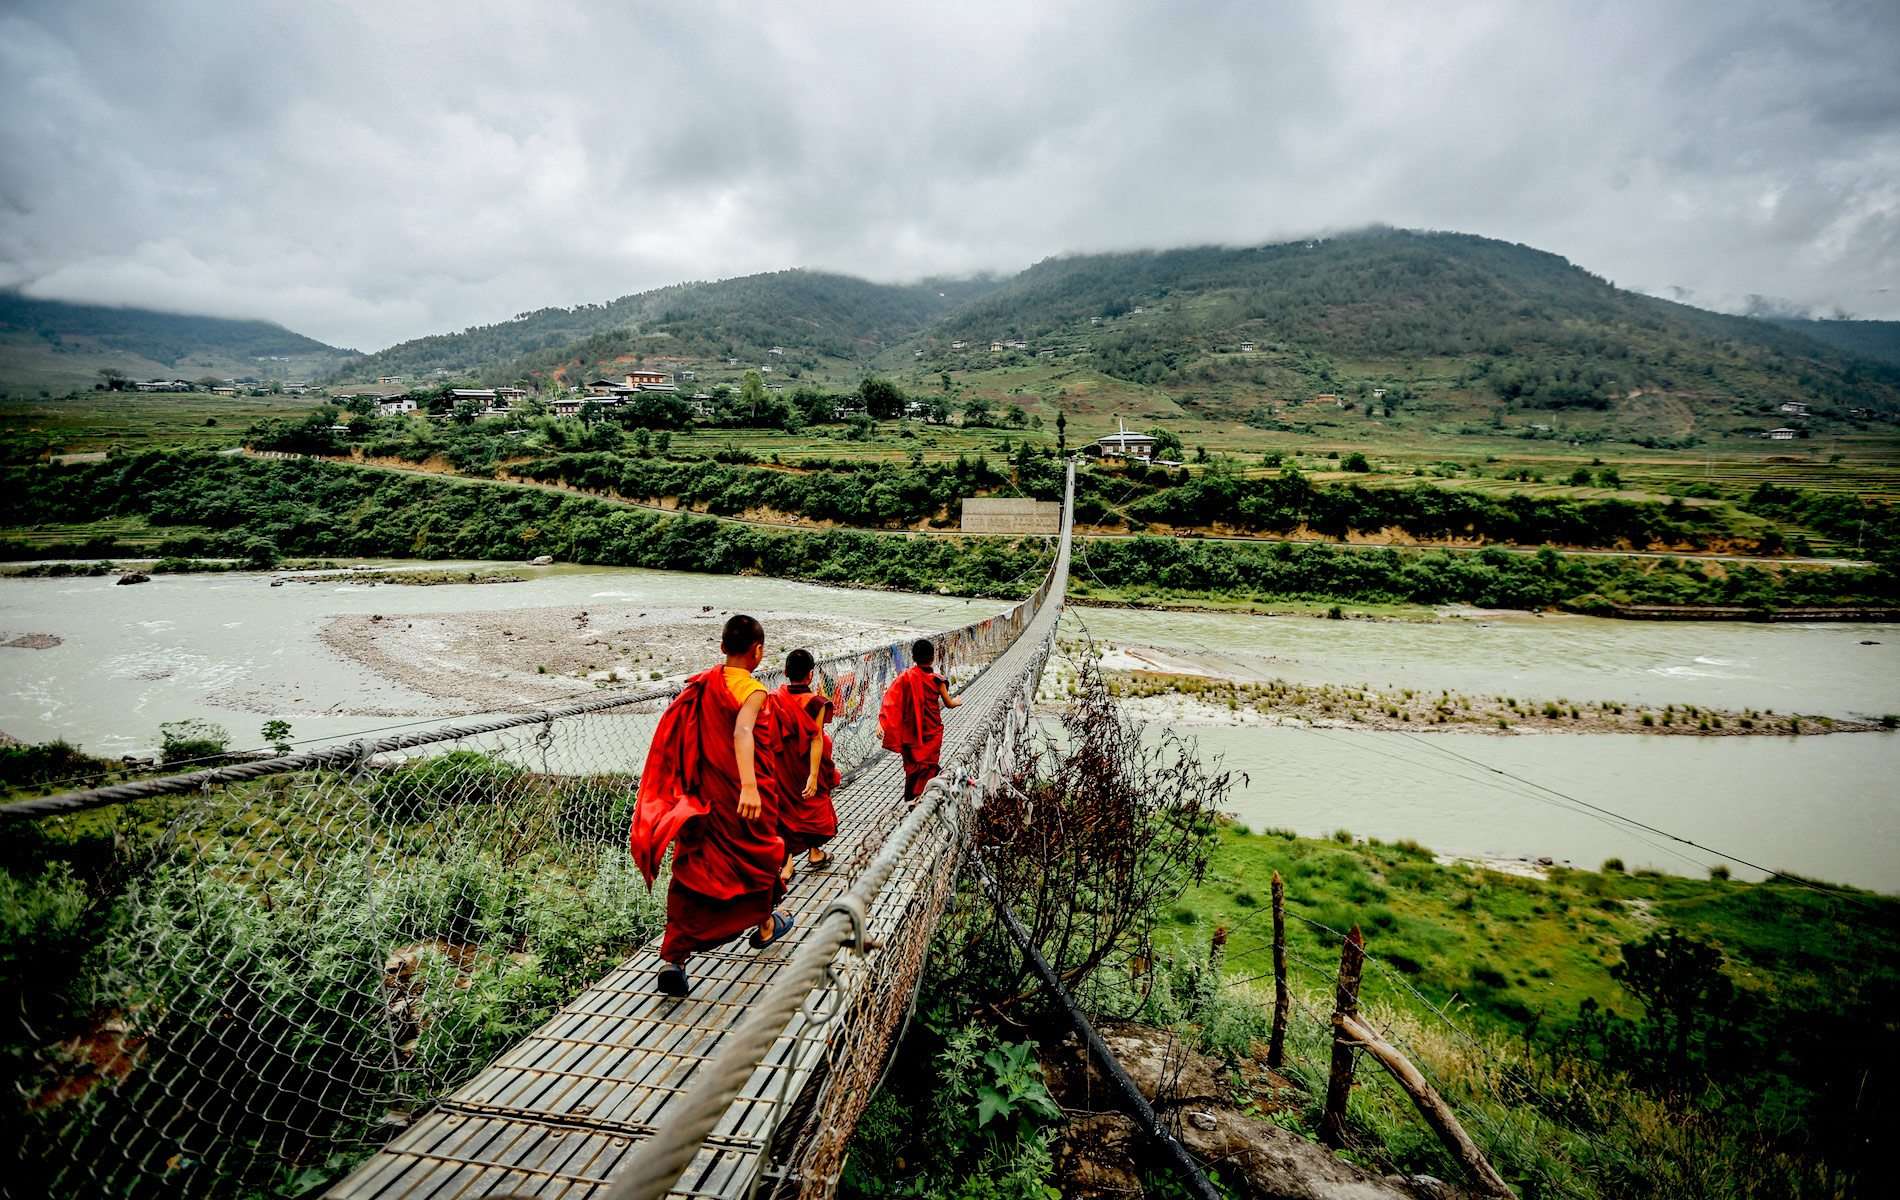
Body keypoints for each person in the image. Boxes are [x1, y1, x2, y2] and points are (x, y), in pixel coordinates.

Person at [629, 614, 793, 997]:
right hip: (743, 798)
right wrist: (749, 786)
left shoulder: (705, 685)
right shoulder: (753, 691)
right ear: (759, 651)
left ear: (722, 648)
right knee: (760, 858)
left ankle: (675, 958)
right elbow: (742, 731)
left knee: (694, 870)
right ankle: (765, 925)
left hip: (707, 798)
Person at [765, 647, 840, 884]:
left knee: (785, 810)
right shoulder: (815, 702)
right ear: (811, 674)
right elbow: (816, 738)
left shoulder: (774, 698)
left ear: (785, 672)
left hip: (782, 765)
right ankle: (814, 853)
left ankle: (788, 864)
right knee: (814, 805)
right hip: (806, 764)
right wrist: (814, 775)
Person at [879, 637, 961, 803]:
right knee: (929, 765)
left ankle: (911, 798)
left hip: (912, 734)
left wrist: (881, 722)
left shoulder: (906, 677)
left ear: (913, 658)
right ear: (933, 657)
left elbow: (890, 701)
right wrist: (958, 701)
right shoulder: (938, 680)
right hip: (931, 733)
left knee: (913, 768)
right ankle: (926, 798)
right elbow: (949, 703)